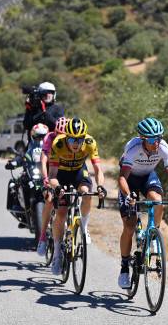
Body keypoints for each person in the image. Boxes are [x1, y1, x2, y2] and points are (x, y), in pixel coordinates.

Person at [116, 117, 168, 289]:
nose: (156, 142)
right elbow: (122, 178)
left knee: (157, 201)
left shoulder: (163, 147)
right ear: (142, 138)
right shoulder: (132, 148)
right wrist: (128, 195)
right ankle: (125, 267)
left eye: (158, 138)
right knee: (129, 226)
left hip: (148, 176)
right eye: (151, 139)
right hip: (130, 180)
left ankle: (153, 233)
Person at [42, 117, 106, 275]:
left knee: (86, 192)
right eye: (71, 139)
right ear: (66, 137)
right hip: (61, 174)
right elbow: (52, 175)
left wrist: (100, 186)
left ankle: (84, 227)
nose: (76, 143)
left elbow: (98, 169)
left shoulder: (90, 143)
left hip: (78, 171)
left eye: (79, 139)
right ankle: (57, 253)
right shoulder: (58, 143)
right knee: (61, 213)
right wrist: (56, 188)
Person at [36, 116, 68, 256]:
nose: (60, 138)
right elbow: (43, 161)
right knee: (49, 199)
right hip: (51, 169)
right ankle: (42, 236)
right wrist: (46, 179)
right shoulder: (49, 138)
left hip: (66, 170)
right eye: (58, 134)